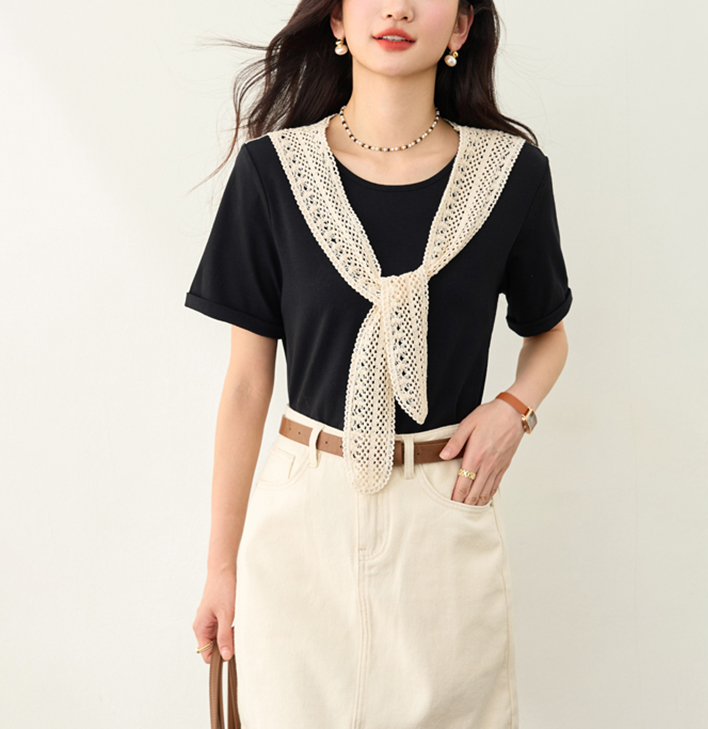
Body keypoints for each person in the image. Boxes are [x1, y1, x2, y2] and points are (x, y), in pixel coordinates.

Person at [186, 0, 572, 726]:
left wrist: (513, 410)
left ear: (460, 28)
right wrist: (221, 566)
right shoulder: (272, 173)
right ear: (336, 21)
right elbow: (245, 385)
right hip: (304, 514)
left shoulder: (511, 174)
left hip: (443, 506)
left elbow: (548, 334)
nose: (396, 8)